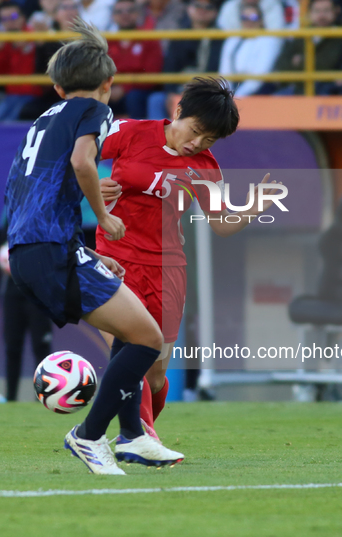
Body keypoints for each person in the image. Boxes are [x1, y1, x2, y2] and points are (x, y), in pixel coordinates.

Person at [5, 18, 183, 475]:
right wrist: (102, 217)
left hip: (33, 249)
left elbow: (24, 189)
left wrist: (84, 252)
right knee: (146, 338)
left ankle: (135, 436)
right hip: (51, 249)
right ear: (108, 84)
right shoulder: (96, 111)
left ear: (58, 85)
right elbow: (84, 162)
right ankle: (88, 436)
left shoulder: (42, 119)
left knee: (133, 333)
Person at [97, 77, 279, 439]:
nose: (196, 143)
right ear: (177, 111)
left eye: (208, 139)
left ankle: (140, 433)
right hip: (113, 259)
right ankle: (140, 439)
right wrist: (90, 190)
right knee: (130, 353)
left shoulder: (206, 167)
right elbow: (73, 161)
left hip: (167, 271)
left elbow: (221, 224)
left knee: (155, 374)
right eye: (195, 131)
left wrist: (254, 207)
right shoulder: (129, 132)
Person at [0, 210, 53, 402]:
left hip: (39, 293)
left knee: (41, 347)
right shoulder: (10, 217)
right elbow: (2, 250)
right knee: (12, 347)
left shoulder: (46, 218)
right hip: (13, 294)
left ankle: (42, 397)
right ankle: (10, 398)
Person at [147, 0, 223, 120]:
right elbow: (169, 68)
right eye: (197, 6)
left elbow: (218, 69)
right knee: (156, 100)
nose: (202, 10)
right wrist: (170, 92)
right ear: (188, 8)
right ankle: (158, 137)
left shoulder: (220, 37)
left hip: (207, 90)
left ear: (215, 12)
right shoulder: (179, 35)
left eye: (208, 7)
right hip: (179, 88)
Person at [271, 0, 342, 95]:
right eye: (317, 11)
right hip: (296, 89)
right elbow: (281, 64)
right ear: (309, 13)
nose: (321, 15)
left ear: (335, 12)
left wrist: (300, 61)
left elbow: (326, 65)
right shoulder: (302, 34)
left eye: (326, 11)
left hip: (325, 91)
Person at [107, 0, 163, 119]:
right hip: (112, 89)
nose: (125, 14)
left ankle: (137, 136)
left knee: (134, 97)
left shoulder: (149, 38)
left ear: (138, 14)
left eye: (130, 11)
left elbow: (152, 73)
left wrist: (124, 88)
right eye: (119, 11)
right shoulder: (107, 41)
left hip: (140, 92)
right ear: (113, 16)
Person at [0, 1, 41, 121]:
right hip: (10, 95)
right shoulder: (2, 41)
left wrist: (29, 46)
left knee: (11, 121)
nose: (9, 22)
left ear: (23, 18)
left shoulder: (36, 35)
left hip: (33, 95)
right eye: (4, 19)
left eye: (13, 17)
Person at [219, 3, 283, 97]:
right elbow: (225, 74)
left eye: (253, 17)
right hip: (234, 89)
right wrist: (225, 95)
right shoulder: (232, 40)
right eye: (244, 18)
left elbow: (258, 77)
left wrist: (236, 97)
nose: (249, 21)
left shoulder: (268, 41)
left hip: (260, 90)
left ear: (261, 20)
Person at [217, 0, 285, 30]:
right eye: (244, 18)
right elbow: (225, 31)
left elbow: (275, 34)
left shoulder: (272, 4)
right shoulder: (230, 6)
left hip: (262, 42)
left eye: (254, 18)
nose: (249, 21)